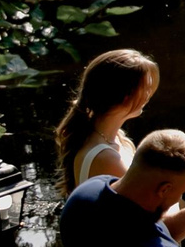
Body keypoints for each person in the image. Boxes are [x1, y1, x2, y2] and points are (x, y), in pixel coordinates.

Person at [56, 48, 160, 192]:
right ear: (125, 95)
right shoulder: (105, 157)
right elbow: (153, 206)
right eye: (145, 88)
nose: (148, 95)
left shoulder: (117, 138)